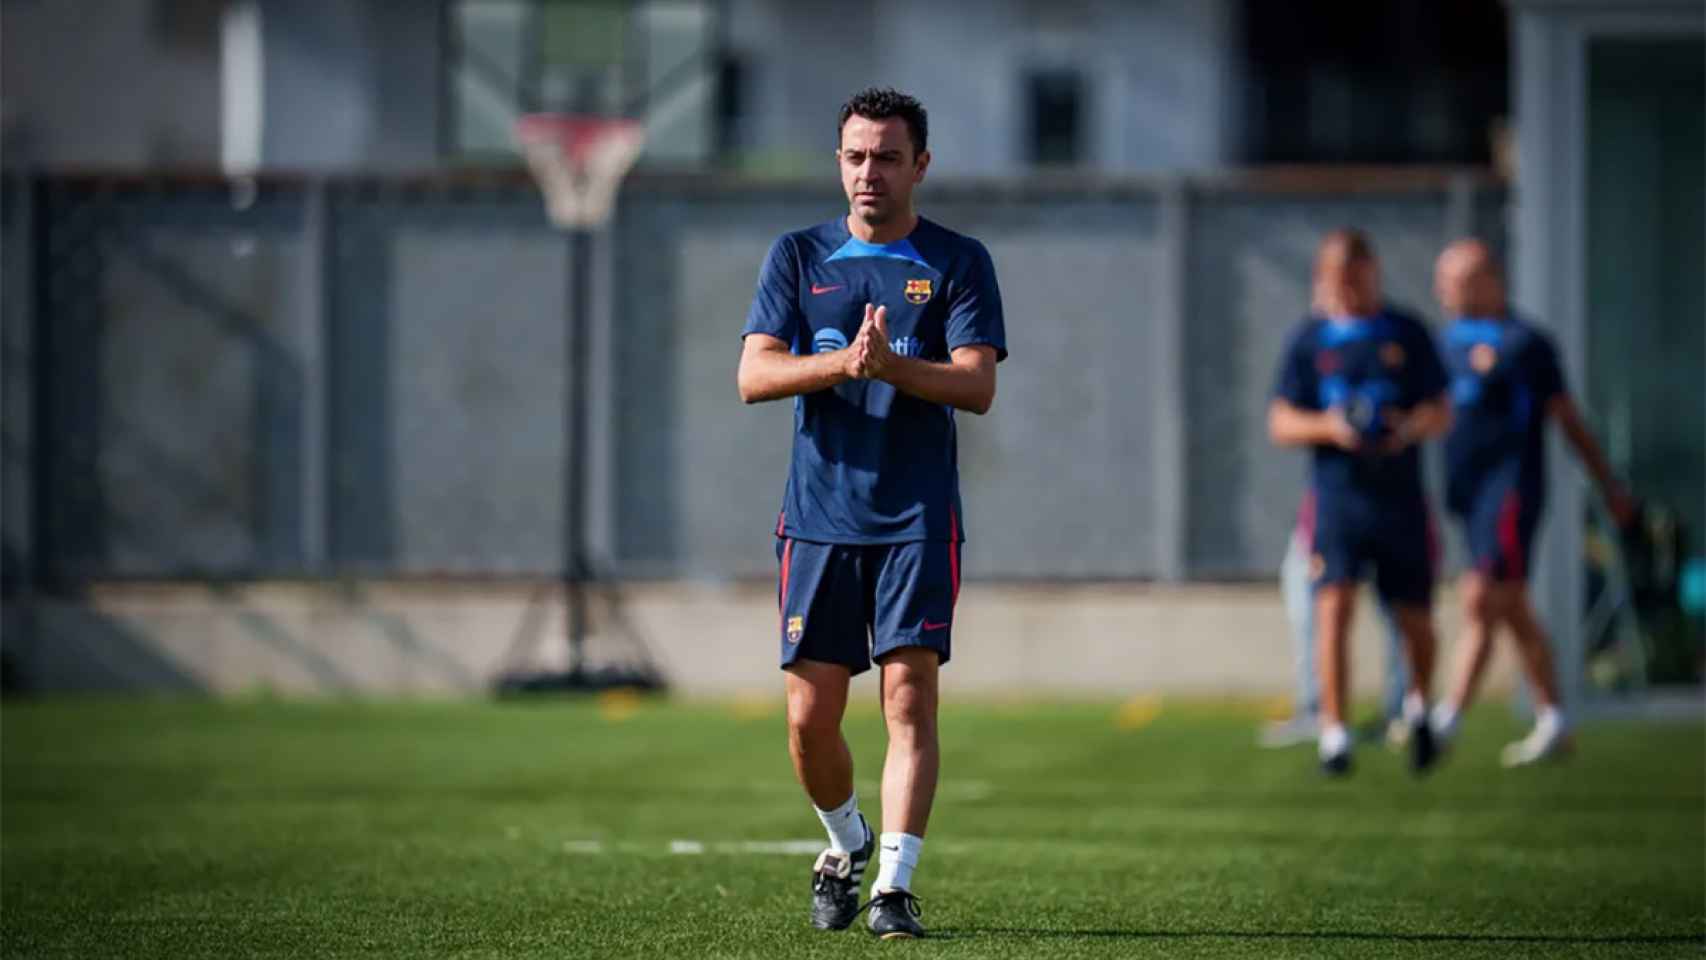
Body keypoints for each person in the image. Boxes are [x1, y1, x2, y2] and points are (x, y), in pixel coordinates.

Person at [736, 87, 1006, 940]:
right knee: (808, 721)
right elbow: (753, 375)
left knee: (908, 702)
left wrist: (891, 366)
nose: (869, 173)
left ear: (919, 165)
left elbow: (977, 385)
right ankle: (844, 843)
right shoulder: (797, 254)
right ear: (838, 163)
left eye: (887, 157)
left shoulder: (959, 260)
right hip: (818, 519)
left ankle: (893, 886)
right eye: (855, 156)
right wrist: (842, 367)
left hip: (917, 518)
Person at [1428, 239, 1636, 766]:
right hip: (1466, 497)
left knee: (1480, 597)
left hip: (1512, 491)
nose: (1443, 290)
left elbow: (1568, 421)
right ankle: (1555, 720)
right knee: (1513, 607)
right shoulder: (1444, 344)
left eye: (1454, 279)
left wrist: (1609, 486)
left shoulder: (1525, 344)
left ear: (1486, 279)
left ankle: (1446, 721)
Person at [1267, 228, 1451, 776]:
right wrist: (1330, 426)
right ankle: (1335, 734)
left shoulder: (1406, 331)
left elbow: (1441, 410)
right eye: (1336, 277)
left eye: (1357, 275)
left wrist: (1405, 428)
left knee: (1415, 618)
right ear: (1323, 278)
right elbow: (1280, 421)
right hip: (1338, 499)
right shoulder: (1310, 340)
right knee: (1333, 608)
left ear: (1373, 271)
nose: (1347, 287)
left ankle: (1418, 707)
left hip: (1400, 498)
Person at [1260, 489, 1412, 750]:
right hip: (1325, 521)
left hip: (1386, 512)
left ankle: (1401, 712)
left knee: (1400, 614)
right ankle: (1318, 711)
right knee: (1315, 618)